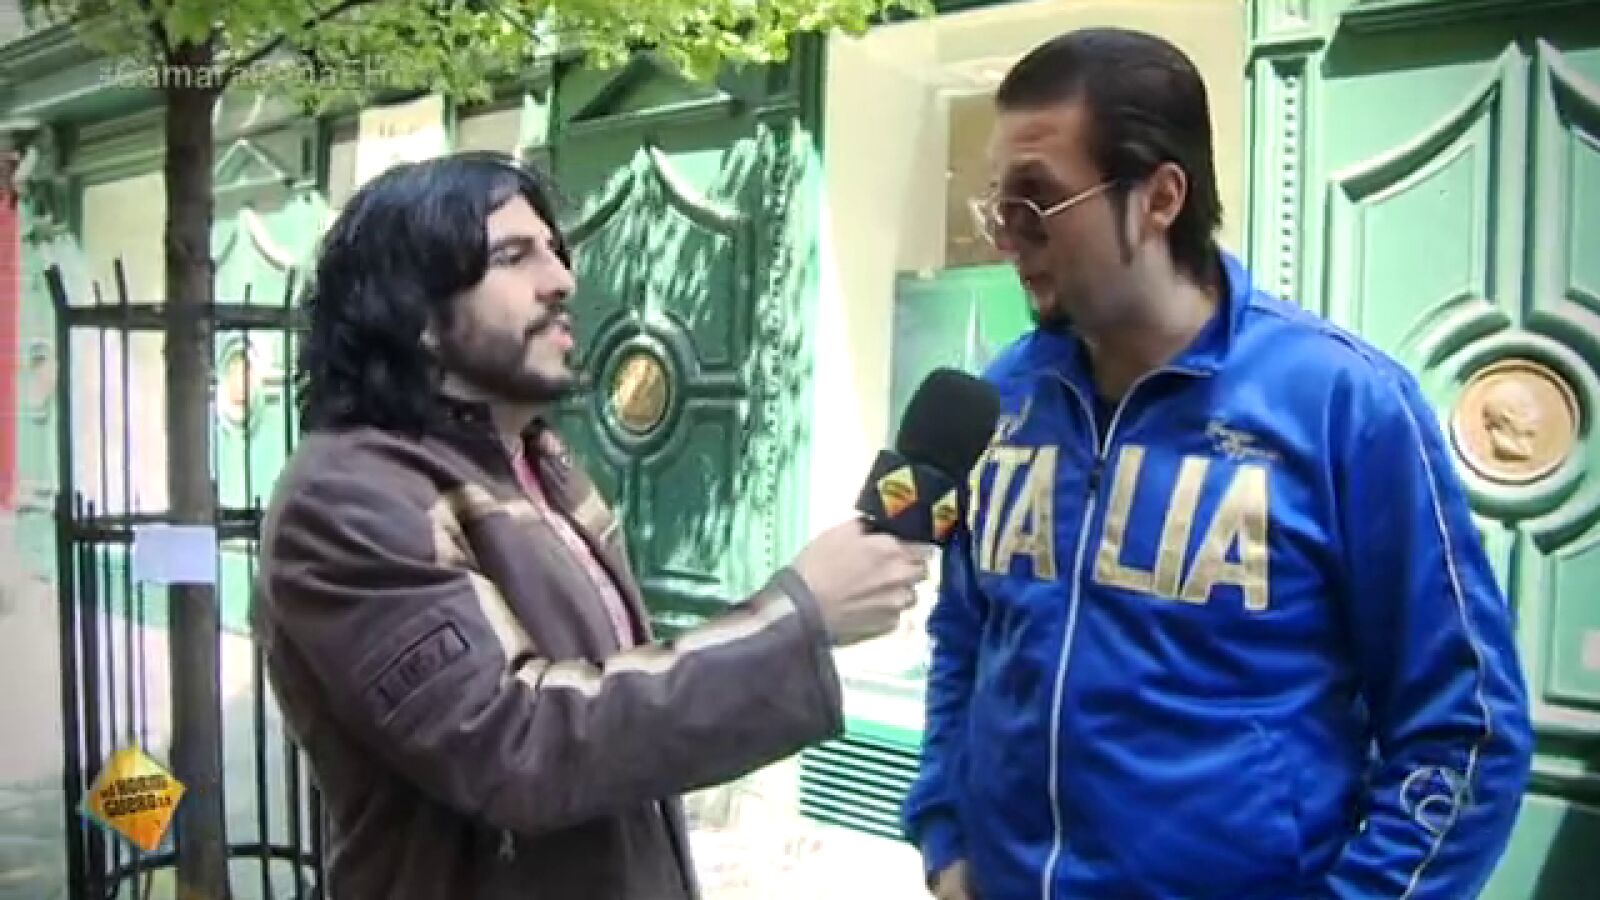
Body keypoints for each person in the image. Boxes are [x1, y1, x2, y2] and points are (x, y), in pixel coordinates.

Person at [902, 28, 1533, 900]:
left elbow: (1467, 732)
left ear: (1160, 197)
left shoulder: (1344, 407)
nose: (1007, 238)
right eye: (997, 206)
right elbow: (965, 638)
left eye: (1035, 203)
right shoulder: (1003, 398)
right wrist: (945, 836)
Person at [252, 151, 931, 899]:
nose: (562, 280)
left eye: (553, 250)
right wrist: (797, 618)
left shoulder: (543, 464)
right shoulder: (346, 498)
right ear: (414, 313)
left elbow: (615, 721)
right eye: (513, 256)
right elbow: (516, 744)